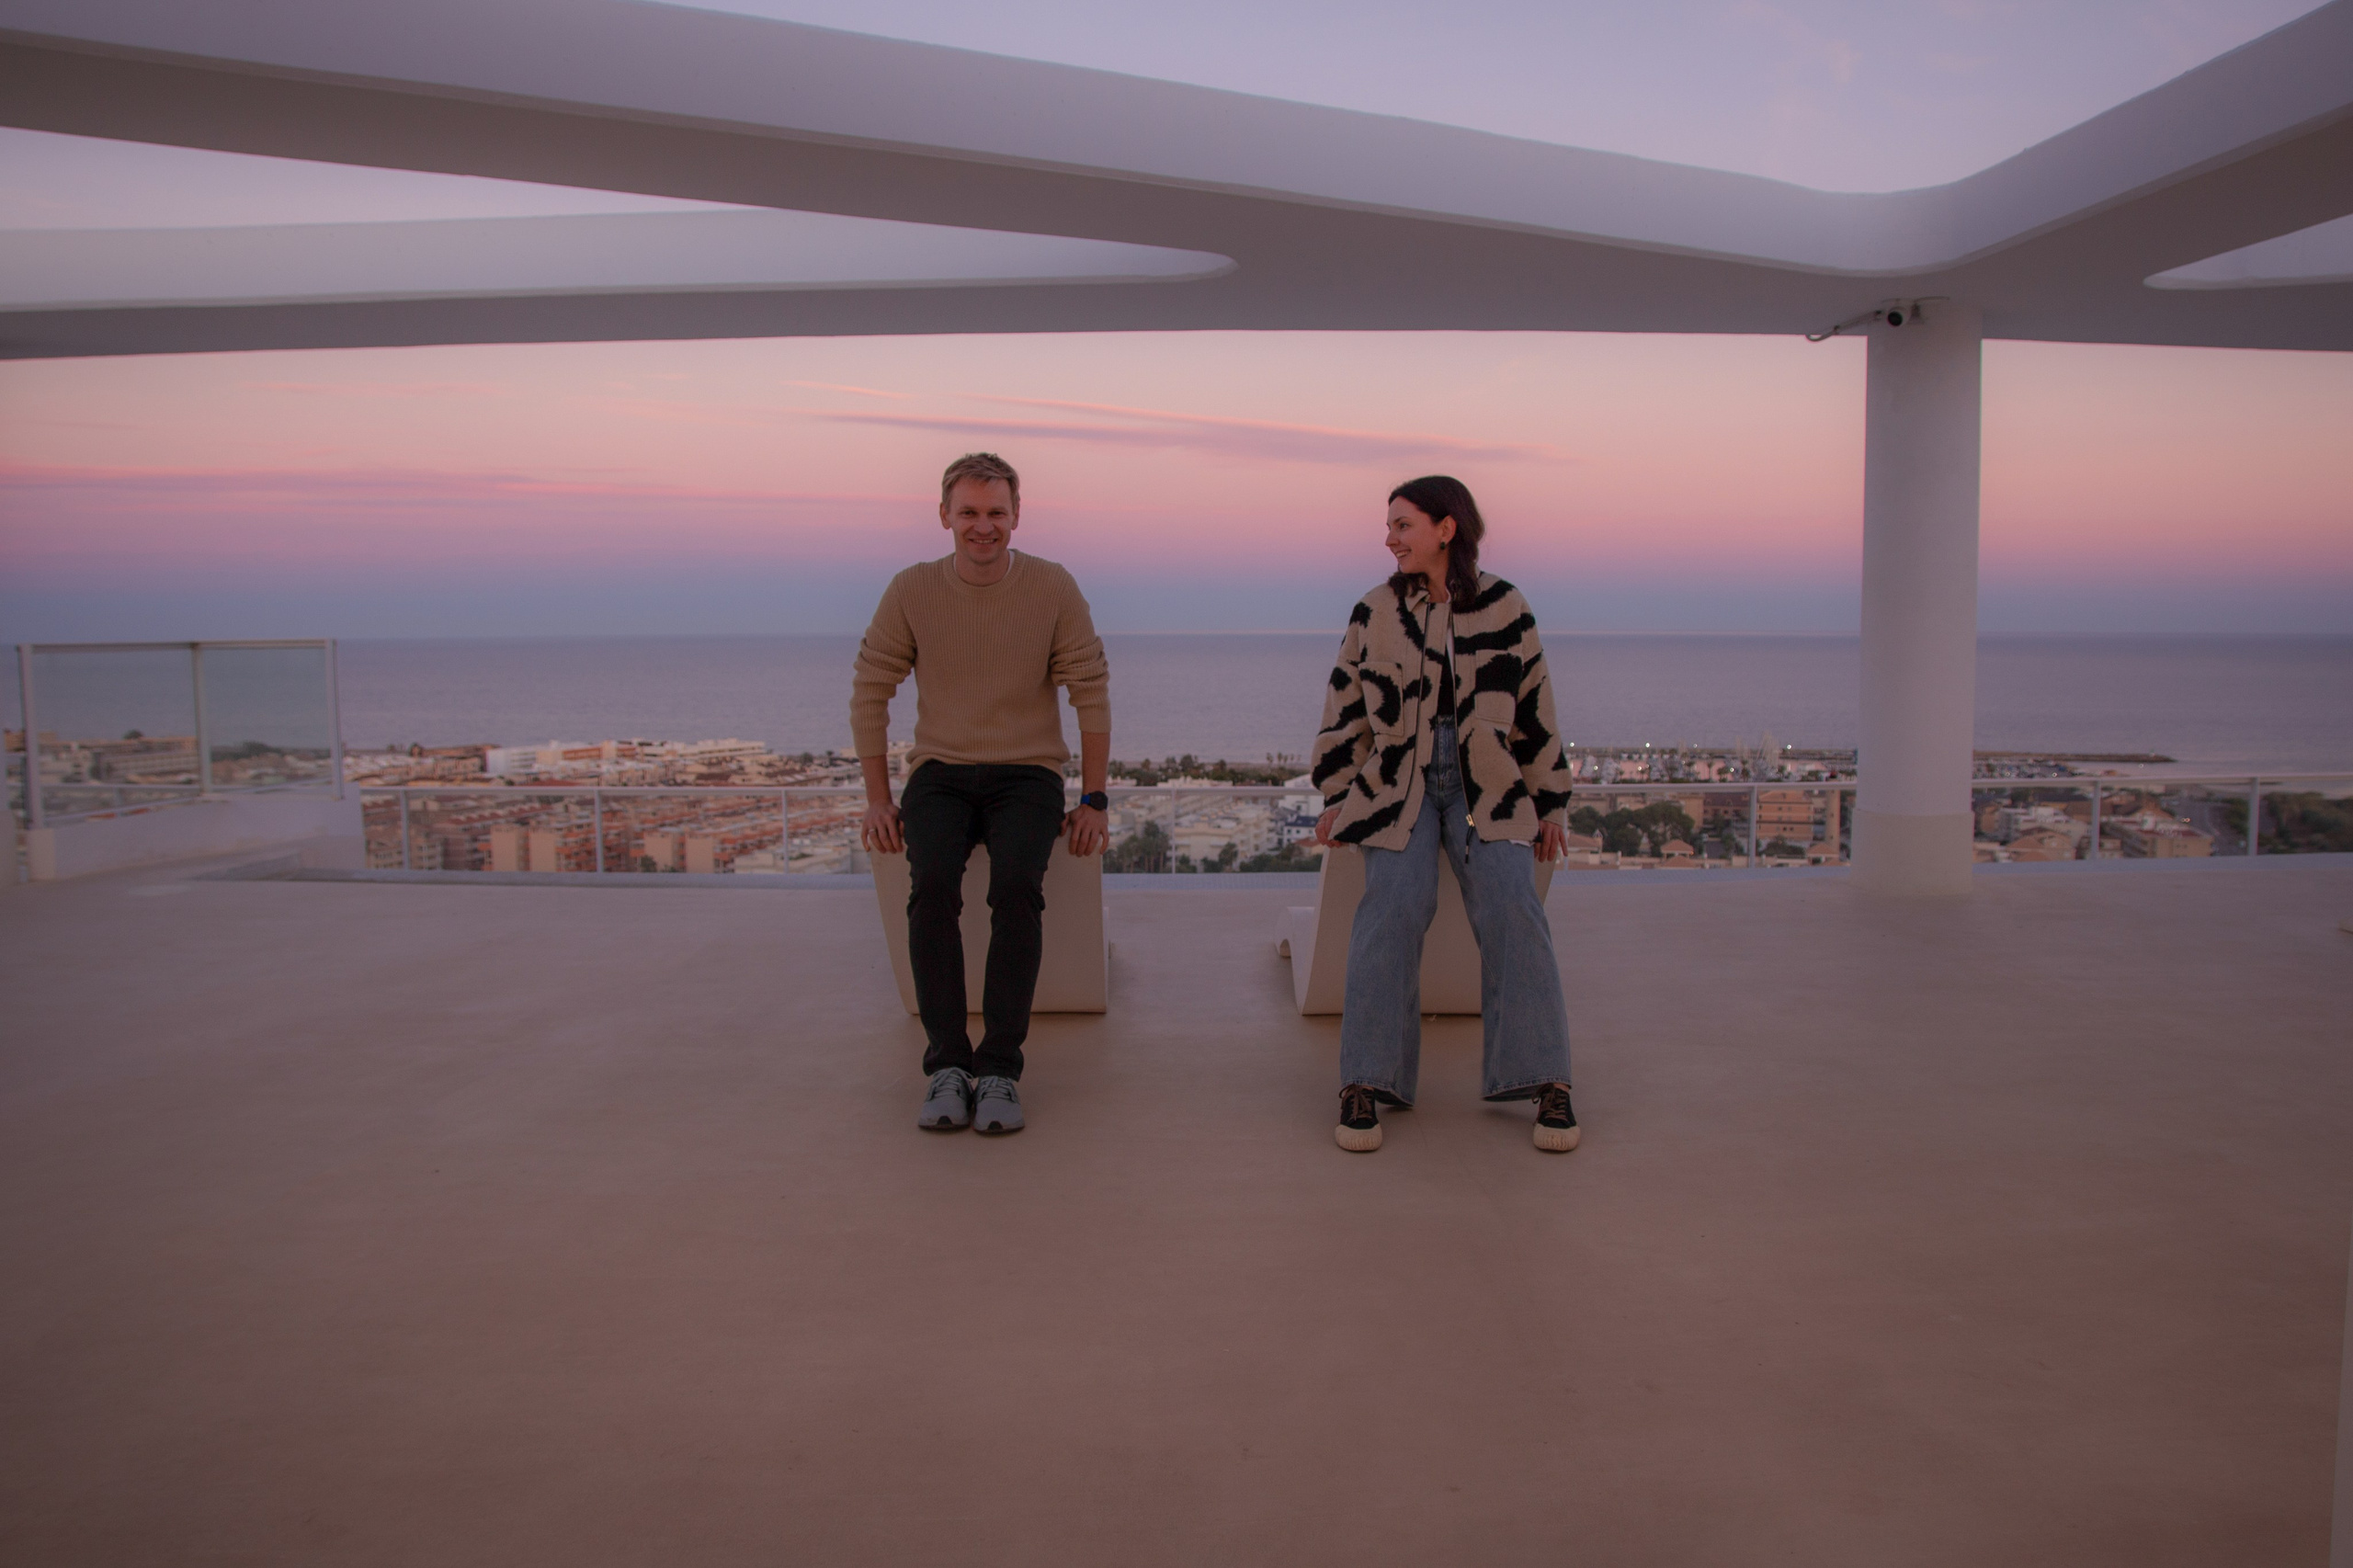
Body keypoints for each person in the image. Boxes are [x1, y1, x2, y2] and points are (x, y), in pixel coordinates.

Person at [1311, 475, 1580, 1153]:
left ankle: (1547, 1080)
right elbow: (1343, 706)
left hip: (1485, 780)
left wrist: (1549, 803)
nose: (1390, 538)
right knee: (1391, 909)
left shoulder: (1505, 605)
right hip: (1397, 780)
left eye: (1403, 524)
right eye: (1390, 525)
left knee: (1514, 904)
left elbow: (1536, 709)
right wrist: (1337, 793)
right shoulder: (1374, 610)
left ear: (1446, 528)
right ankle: (1365, 1083)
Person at [853, 453, 1111, 1135]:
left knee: (1017, 888)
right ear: (944, 516)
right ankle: (947, 1064)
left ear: (1016, 516)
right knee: (931, 884)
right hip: (940, 770)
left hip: (1027, 772)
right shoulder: (911, 589)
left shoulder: (1053, 588)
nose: (982, 526)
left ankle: (998, 1069)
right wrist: (879, 799)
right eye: (968, 512)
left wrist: (1095, 799)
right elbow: (871, 690)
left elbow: (1091, 692)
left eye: (996, 512)